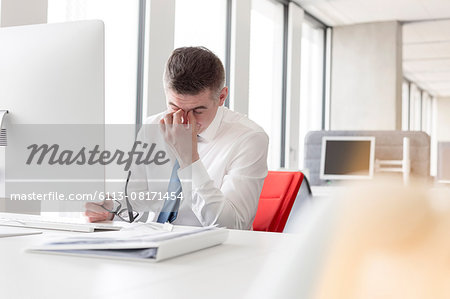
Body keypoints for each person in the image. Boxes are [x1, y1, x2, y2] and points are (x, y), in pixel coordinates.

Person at [85, 46, 268, 230]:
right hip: (153, 241)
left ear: (221, 97)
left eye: (197, 111)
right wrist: (110, 208)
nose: (184, 121)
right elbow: (134, 199)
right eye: (174, 107)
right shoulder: (152, 127)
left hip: (212, 250)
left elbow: (232, 225)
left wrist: (189, 159)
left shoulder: (249, 138)